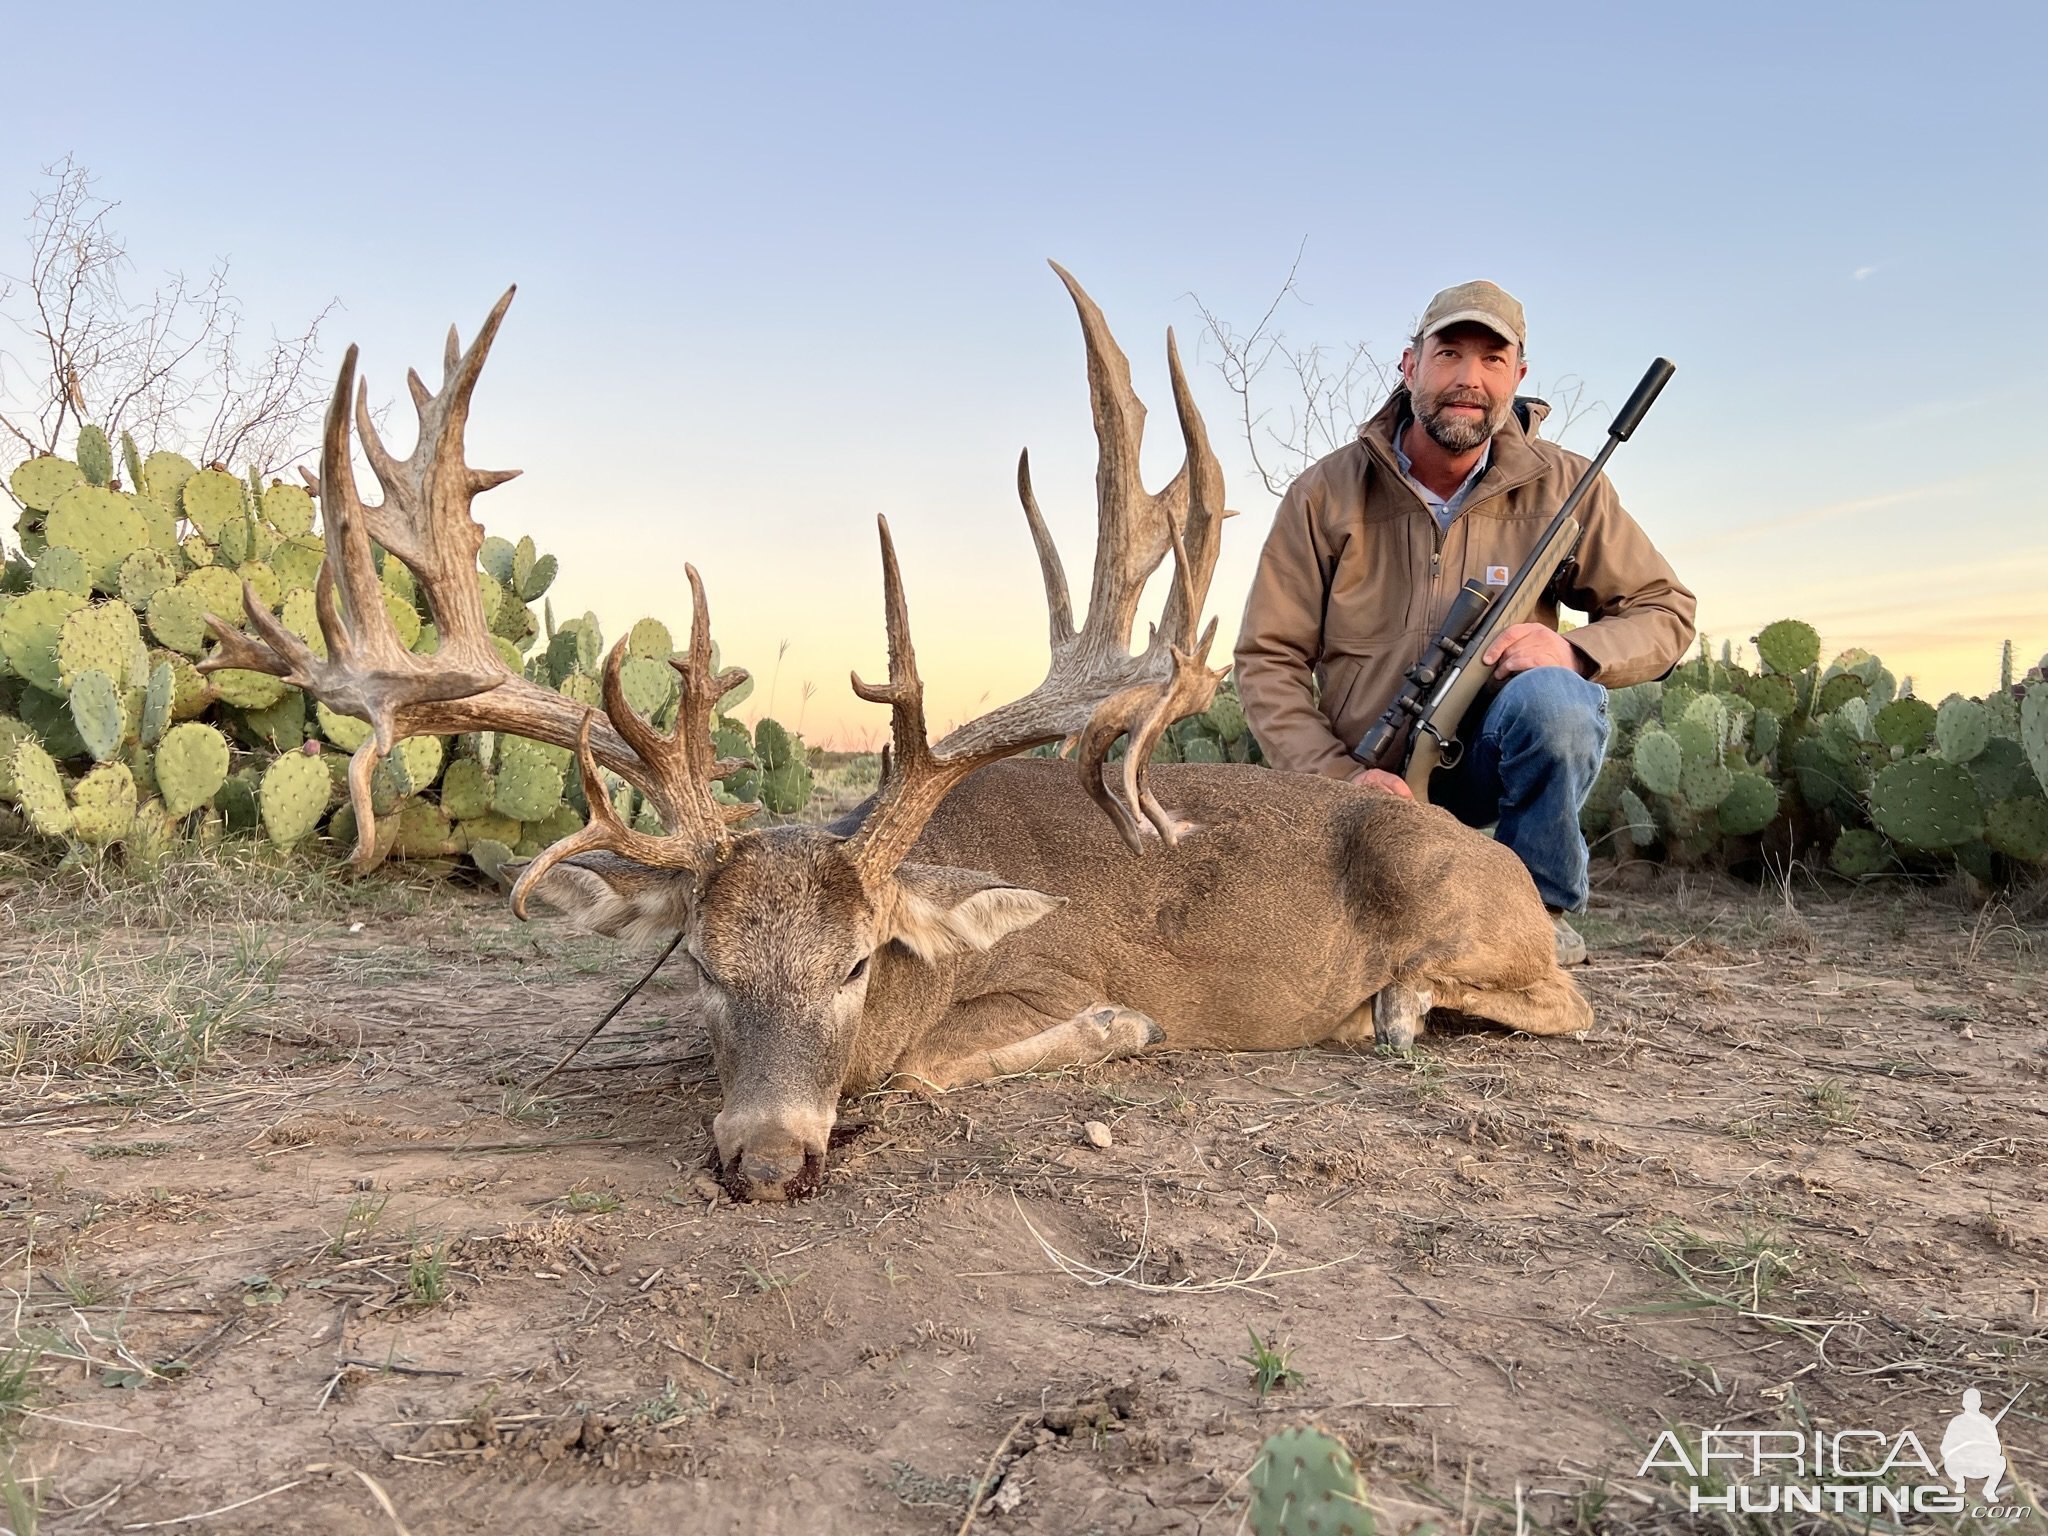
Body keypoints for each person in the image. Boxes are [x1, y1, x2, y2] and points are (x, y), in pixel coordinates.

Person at [1233, 280, 1696, 966]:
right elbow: (1267, 657)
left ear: (1518, 376)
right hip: (1362, 780)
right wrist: (1337, 777)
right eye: (1449, 354)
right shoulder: (1324, 492)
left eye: (1491, 360)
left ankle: (1538, 914)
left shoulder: (1569, 486)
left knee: (1557, 704)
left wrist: (1571, 651)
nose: (1468, 380)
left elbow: (1666, 611)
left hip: (1485, 760)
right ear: (1409, 364)